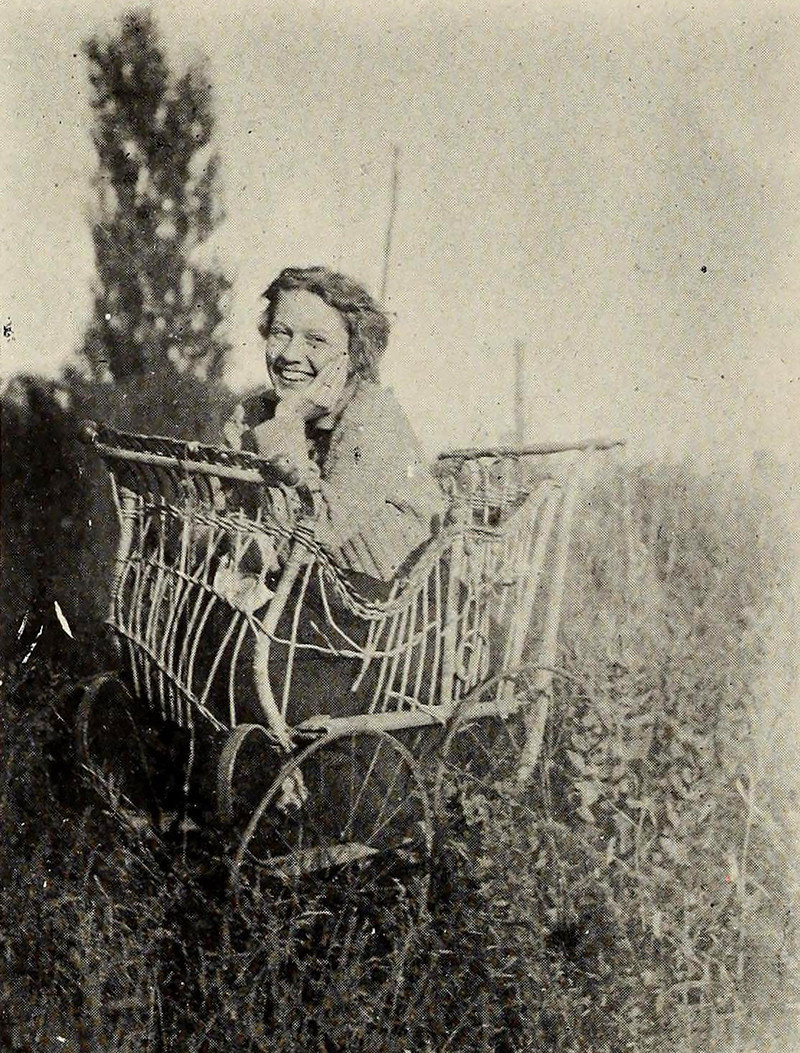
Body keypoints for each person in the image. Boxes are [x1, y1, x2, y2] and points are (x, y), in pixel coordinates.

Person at [223, 265, 445, 583]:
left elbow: (311, 536)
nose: (289, 354)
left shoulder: (373, 417)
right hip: (304, 593)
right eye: (281, 333)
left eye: (315, 340)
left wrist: (288, 421)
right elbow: (218, 511)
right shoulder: (252, 413)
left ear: (353, 354)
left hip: (391, 599)